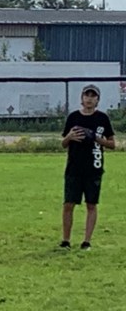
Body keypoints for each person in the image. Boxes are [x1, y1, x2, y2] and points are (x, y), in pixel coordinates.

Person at [60, 83, 116, 250]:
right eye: (87, 95)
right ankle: (66, 240)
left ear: (97, 100)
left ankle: (86, 241)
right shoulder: (73, 117)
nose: (89, 99)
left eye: (93, 96)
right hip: (74, 168)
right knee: (69, 203)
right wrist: (69, 136)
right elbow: (63, 144)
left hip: (93, 167)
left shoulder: (102, 119)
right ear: (82, 98)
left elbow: (113, 144)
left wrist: (97, 139)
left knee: (91, 204)